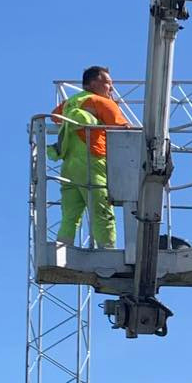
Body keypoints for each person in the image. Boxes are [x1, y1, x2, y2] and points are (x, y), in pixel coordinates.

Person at [51, 66, 130, 248]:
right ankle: (108, 252)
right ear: (94, 83)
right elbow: (124, 129)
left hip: (69, 166)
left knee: (70, 214)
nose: (111, 88)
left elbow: (55, 117)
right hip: (93, 161)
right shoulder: (101, 102)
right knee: (102, 210)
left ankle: (62, 251)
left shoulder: (72, 102)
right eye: (108, 83)